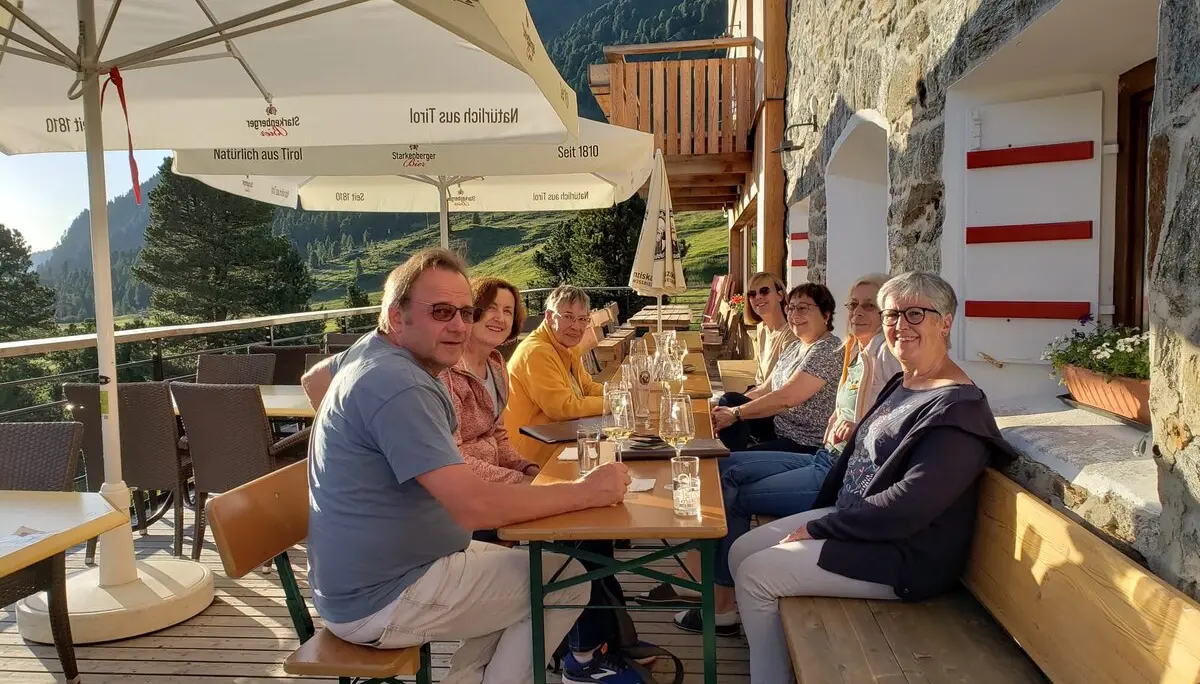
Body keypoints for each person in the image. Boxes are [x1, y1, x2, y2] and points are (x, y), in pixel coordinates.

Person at [306, 249, 632, 684]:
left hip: (387, 569)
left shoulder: (372, 351)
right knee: (564, 578)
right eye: (441, 312)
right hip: (386, 594)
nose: (459, 326)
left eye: (465, 312)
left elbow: (315, 379)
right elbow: (474, 507)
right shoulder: (399, 385)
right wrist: (588, 492)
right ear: (395, 315)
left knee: (528, 569)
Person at [727, 271, 1019, 682]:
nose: (900, 325)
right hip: (859, 523)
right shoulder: (904, 381)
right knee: (742, 550)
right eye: (892, 315)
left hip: (903, 555)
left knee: (758, 576)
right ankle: (776, 660)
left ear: (946, 321)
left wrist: (820, 525)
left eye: (915, 314)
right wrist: (824, 514)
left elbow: (908, 506)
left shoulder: (959, 408)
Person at [649, 274, 902, 635]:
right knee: (724, 462)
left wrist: (734, 412)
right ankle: (707, 577)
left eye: (870, 306)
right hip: (821, 456)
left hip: (823, 463)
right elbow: (784, 391)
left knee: (728, 487)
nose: (859, 313)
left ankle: (718, 596)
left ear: (827, 314)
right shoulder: (857, 352)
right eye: (854, 305)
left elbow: (792, 398)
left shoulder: (861, 352)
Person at [710, 283, 843, 453]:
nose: (794, 315)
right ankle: (731, 454)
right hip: (778, 426)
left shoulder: (829, 349)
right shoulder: (795, 346)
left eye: (802, 308)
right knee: (729, 400)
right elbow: (765, 389)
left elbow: (786, 398)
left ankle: (732, 461)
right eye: (791, 308)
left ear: (826, 315)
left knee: (734, 452)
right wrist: (725, 411)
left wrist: (735, 413)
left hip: (803, 442)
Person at [439, 277, 540, 487]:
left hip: (496, 482)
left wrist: (527, 468)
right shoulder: (446, 372)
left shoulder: (496, 364)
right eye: (491, 308)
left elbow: (498, 436)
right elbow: (454, 458)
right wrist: (522, 482)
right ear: (470, 312)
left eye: (507, 311)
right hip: (466, 493)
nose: (500, 319)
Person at [504, 284, 605, 466]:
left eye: (583, 319)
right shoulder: (537, 352)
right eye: (568, 317)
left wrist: (619, 393)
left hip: (560, 437)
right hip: (532, 455)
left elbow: (587, 387)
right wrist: (613, 403)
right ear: (549, 317)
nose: (576, 326)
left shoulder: (566, 346)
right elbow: (563, 408)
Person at [744, 271, 797, 387]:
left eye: (764, 291)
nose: (758, 297)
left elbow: (777, 385)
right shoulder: (763, 332)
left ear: (780, 295)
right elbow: (760, 381)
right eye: (752, 294)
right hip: (760, 397)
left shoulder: (792, 334)